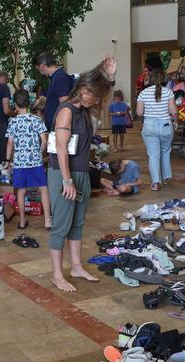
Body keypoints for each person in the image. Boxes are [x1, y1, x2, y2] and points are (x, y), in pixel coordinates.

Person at [48, 56, 116, 292]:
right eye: (93, 95)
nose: (96, 100)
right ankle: (57, 274)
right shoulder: (66, 110)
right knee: (61, 224)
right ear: (83, 90)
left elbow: (105, 102)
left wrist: (109, 76)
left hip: (81, 172)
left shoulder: (85, 110)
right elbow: (60, 148)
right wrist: (67, 180)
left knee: (77, 222)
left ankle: (76, 266)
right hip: (63, 174)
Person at [5, 89, 51, 230]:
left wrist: (8, 161)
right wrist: (39, 152)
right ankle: (48, 222)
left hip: (19, 161)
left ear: (16, 104)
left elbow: (10, 144)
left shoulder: (12, 122)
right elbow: (44, 141)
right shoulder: (37, 120)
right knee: (43, 188)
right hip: (35, 161)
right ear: (29, 103)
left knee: (21, 190)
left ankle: (23, 221)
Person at [137, 68, 178, 192]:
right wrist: (176, 121)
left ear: (150, 79)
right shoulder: (168, 92)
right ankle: (166, 178)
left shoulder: (143, 93)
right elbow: (174, 111)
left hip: (149, 126)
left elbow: (139, 112)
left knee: (153, 155)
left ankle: (155, 183)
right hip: (166, 126)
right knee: (165, 152)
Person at [35, 52, 75, 131]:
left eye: (38, 69)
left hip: (59, 127)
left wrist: (61, 127)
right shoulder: (55, 78)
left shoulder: (60, 78)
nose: (39, 72)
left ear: (42, 66)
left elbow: (65, 103)